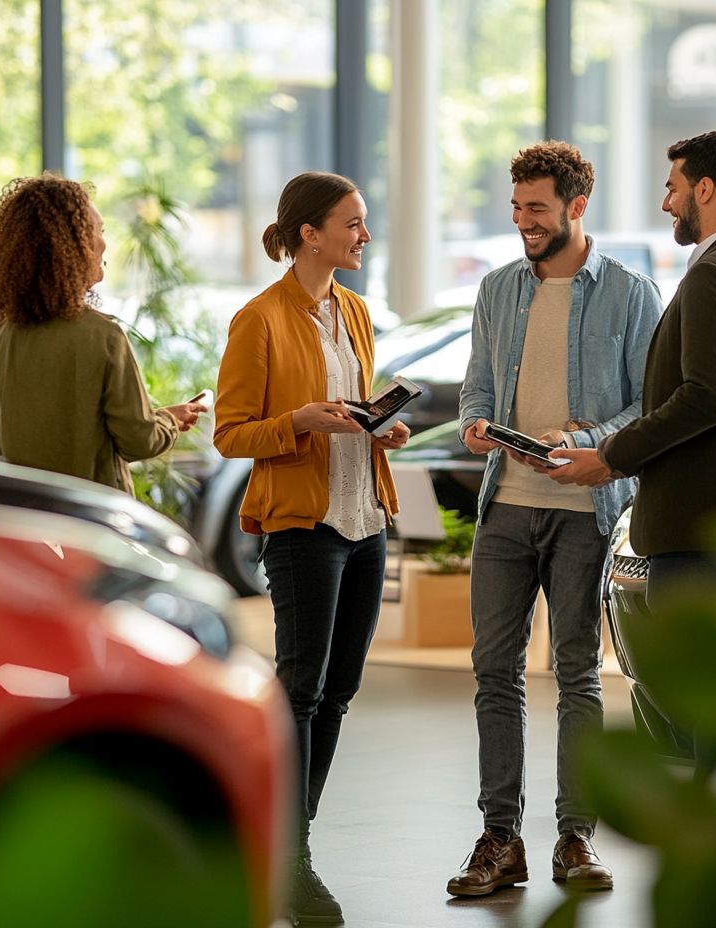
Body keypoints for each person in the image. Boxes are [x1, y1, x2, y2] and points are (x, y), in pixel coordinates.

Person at [448, 141, 661, 898]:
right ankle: (499, 840)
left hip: (584, 512)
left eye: (536, 209)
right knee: (492, 675)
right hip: (505, 509)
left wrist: (584, 439)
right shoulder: (499, 290)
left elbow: (648, 409)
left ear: (576, 207)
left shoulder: (632, 294)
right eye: (516, 209)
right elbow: (476, 388)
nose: (522, 222)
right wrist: (477, 426)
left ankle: (576, 839)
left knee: (577, 676)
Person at [213, 171, 408, 927]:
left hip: (365, 519)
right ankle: (285, 855)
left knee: (340, 690)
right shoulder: (257, 320)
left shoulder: (353, 311)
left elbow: (348, 412)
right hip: (302, 525)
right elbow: (231, 433)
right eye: (352, 223)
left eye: (363, 222)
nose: (363, 235)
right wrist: (298, 420)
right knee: (298, 690)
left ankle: (292, 841)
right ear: (309, 233)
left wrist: (376, 427)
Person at [551, 129, 716, 668]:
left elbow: (709, 396)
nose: (664, 202)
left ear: (705, 190)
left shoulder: (714, 273)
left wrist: (610, 456)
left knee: (699, 705)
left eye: (673, 187)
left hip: (697, 534)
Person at [0, 174, 204, 493]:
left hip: (28, 531)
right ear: (68, 246)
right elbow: (139, 441)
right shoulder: (104, 338)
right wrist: (170, 423)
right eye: (98, 230)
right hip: (92, 529)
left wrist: (161, 417)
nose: (104, 242)